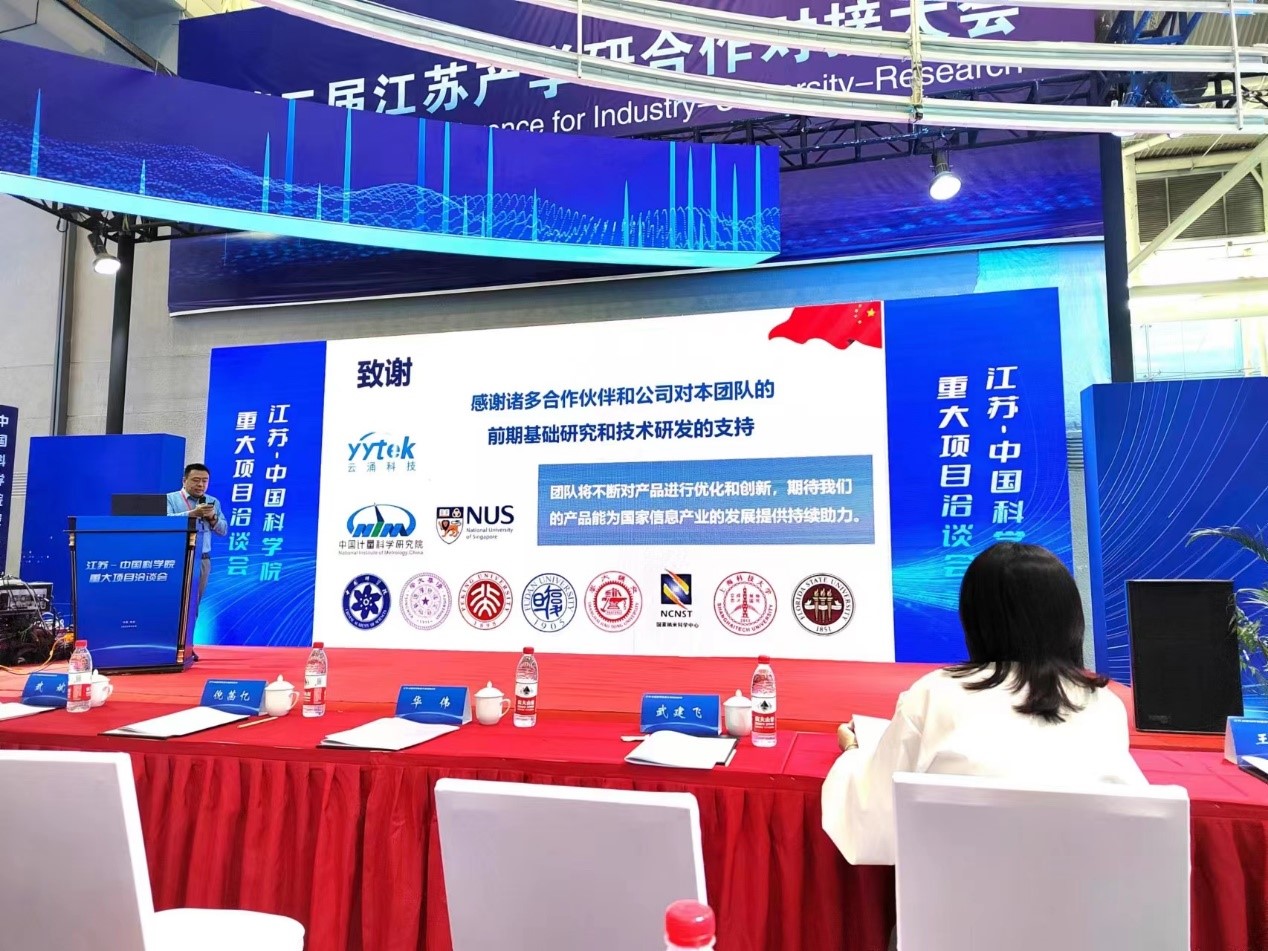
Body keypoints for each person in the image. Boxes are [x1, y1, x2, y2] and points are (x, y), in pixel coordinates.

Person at [822, 542, 1147, 868]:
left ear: (976, 620)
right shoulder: (1103, 705)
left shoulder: (935, 693)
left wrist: (853, 752)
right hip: (1083, 896)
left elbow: (873, 821)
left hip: (955, 899)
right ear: (1070, 618)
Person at [166, 463, 227, 600]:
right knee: (172, 600)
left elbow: (223, 531)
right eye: (196, 480)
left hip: (202, 559)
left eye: (205, 481)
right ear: (184, 481)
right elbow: (166, 522)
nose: (200, 484)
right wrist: (192, 514)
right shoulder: (170, 498)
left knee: (194, 602)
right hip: (175, 558)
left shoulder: (213, 501)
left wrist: (213, 517)